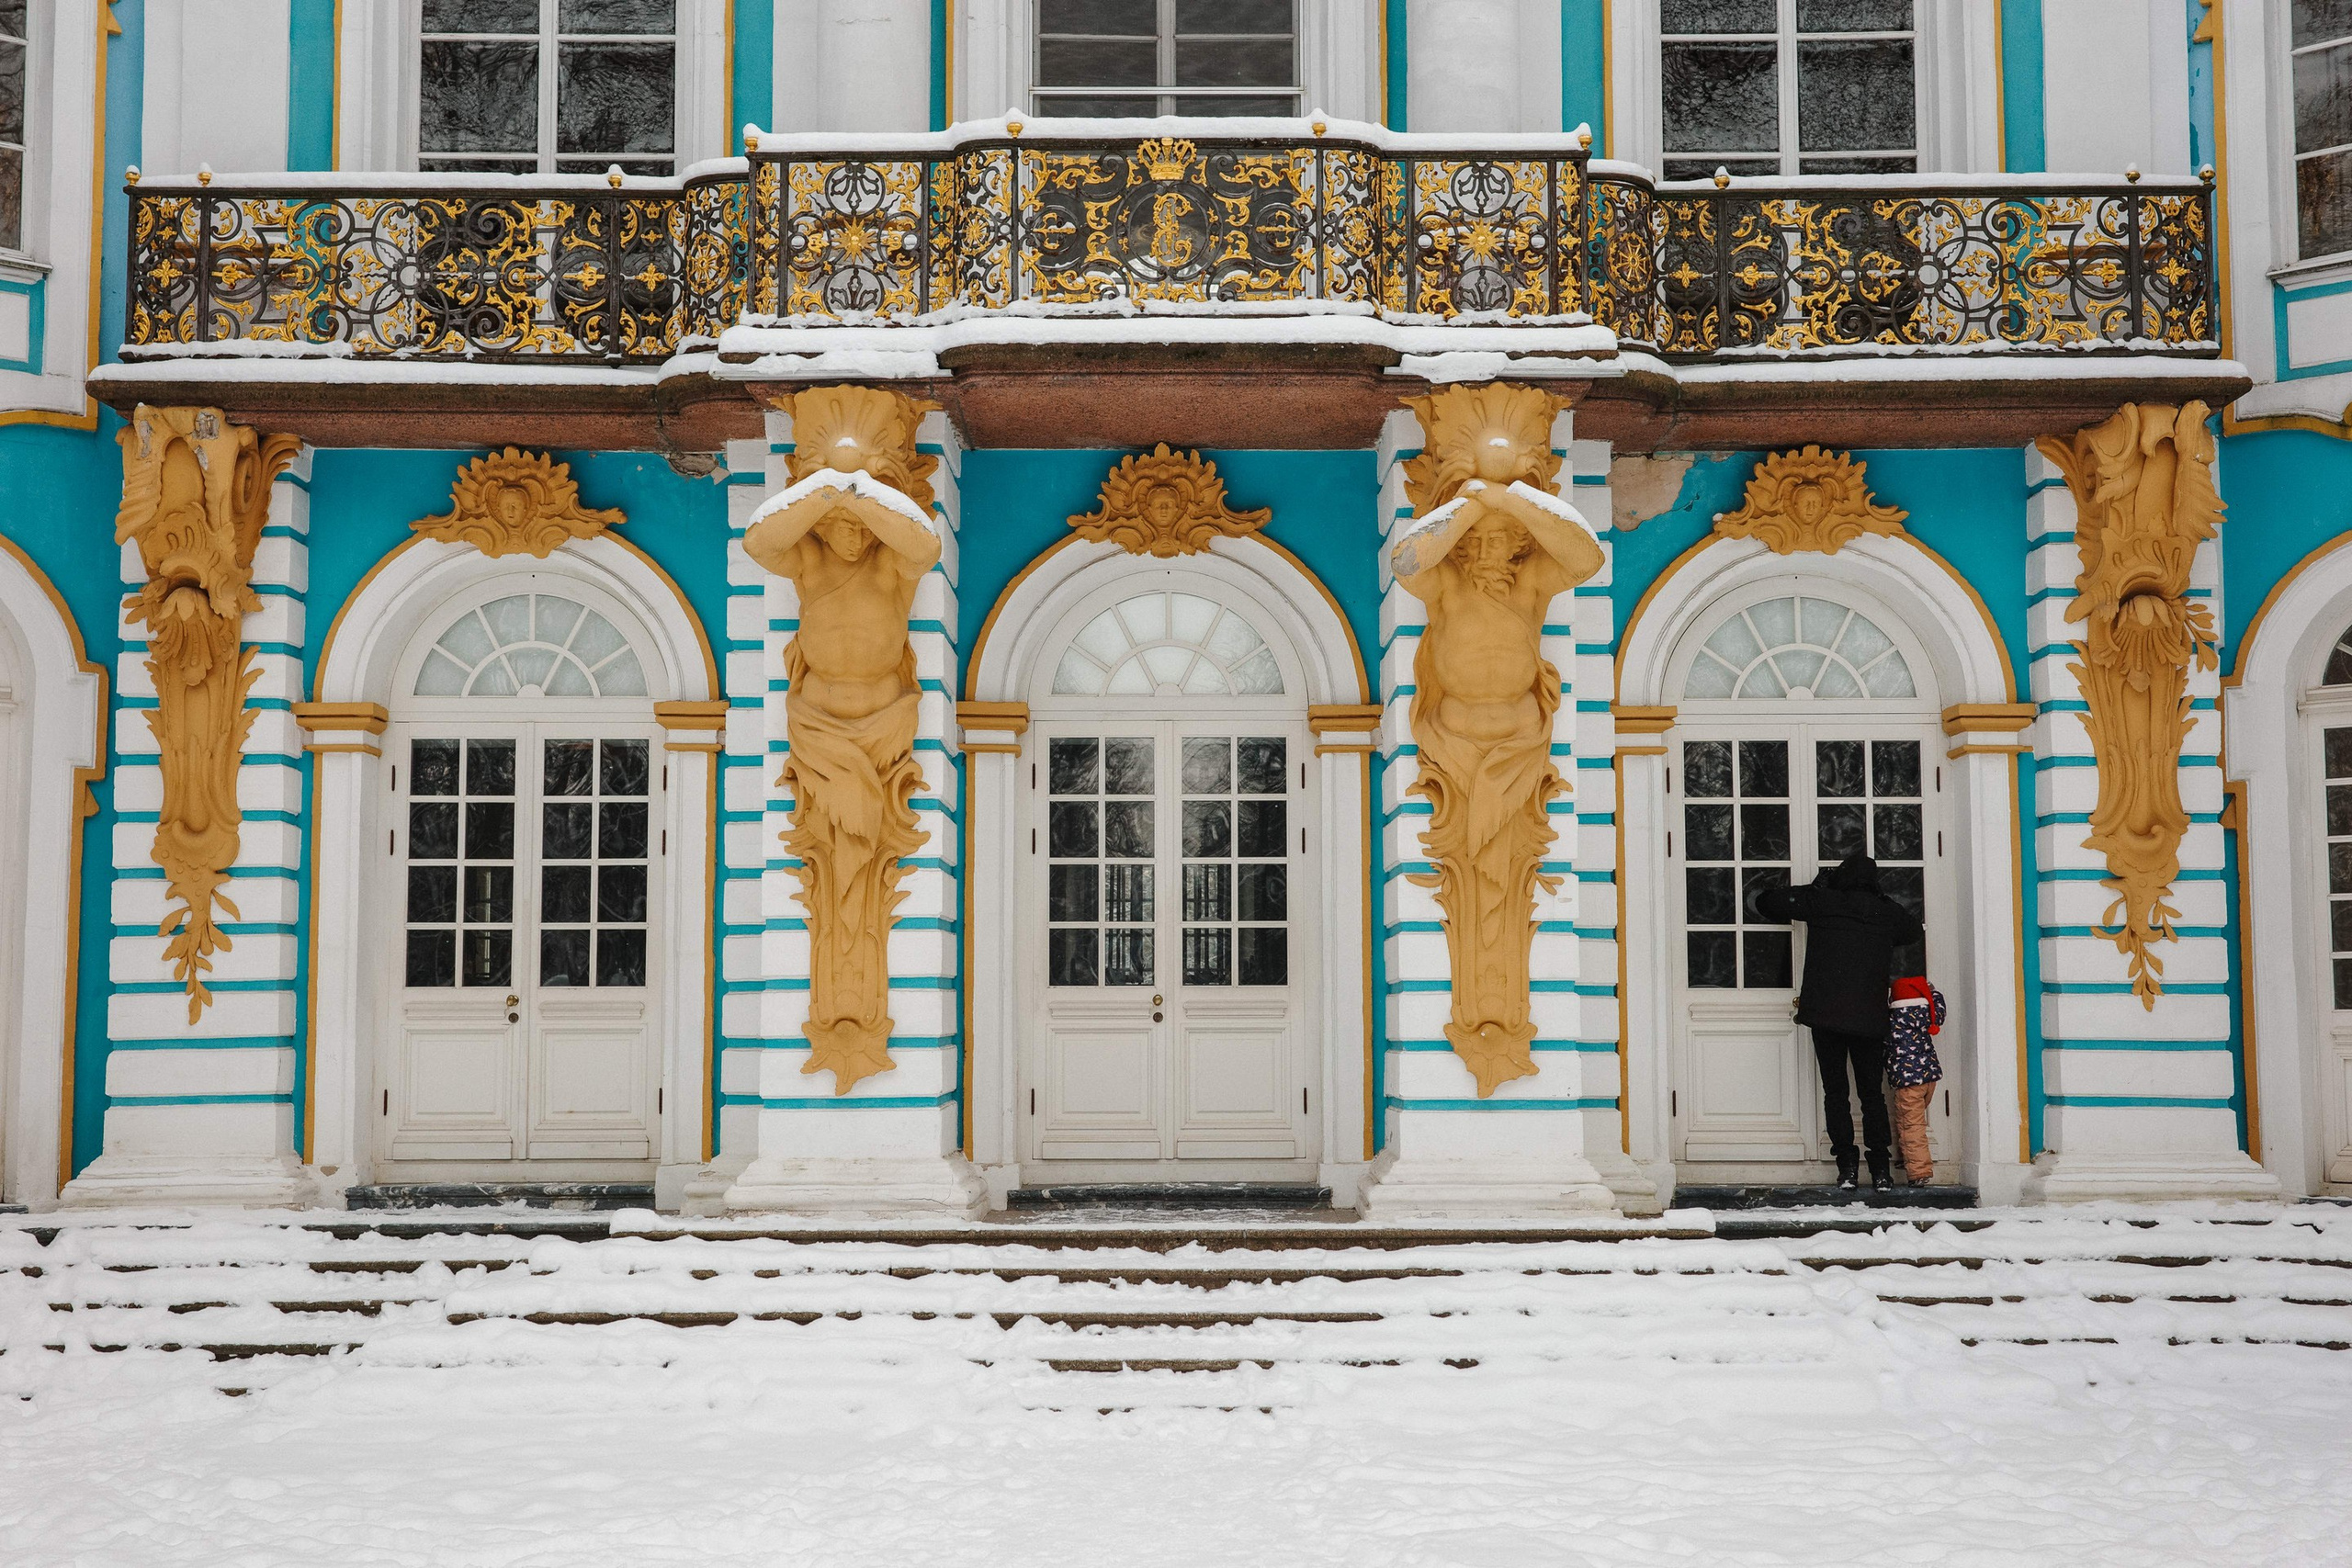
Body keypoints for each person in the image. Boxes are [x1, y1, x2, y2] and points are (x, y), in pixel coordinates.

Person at [1757, 853, 1924, 1191]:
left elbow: (1767, 903)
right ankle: (1880, 1169)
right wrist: (1879, 897)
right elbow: (1911, 930)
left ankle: (1846, 1166)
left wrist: (1819, 886)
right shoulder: (1885, 912)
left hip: (1827, 1016)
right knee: (1871, 1095)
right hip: (1868, 1018)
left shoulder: (1823, 901)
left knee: (1836, 1093)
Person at [1885, 975, 1948, 1187]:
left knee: (1912, 1125)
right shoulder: (1926, 1015)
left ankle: (1919, 1172)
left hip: (1908, 1082)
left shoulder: (1892, 1019)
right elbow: (1939, 1010)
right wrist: (1933, 994)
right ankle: (1908, 1159)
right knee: (1908, 1122)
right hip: (1929, 1079)